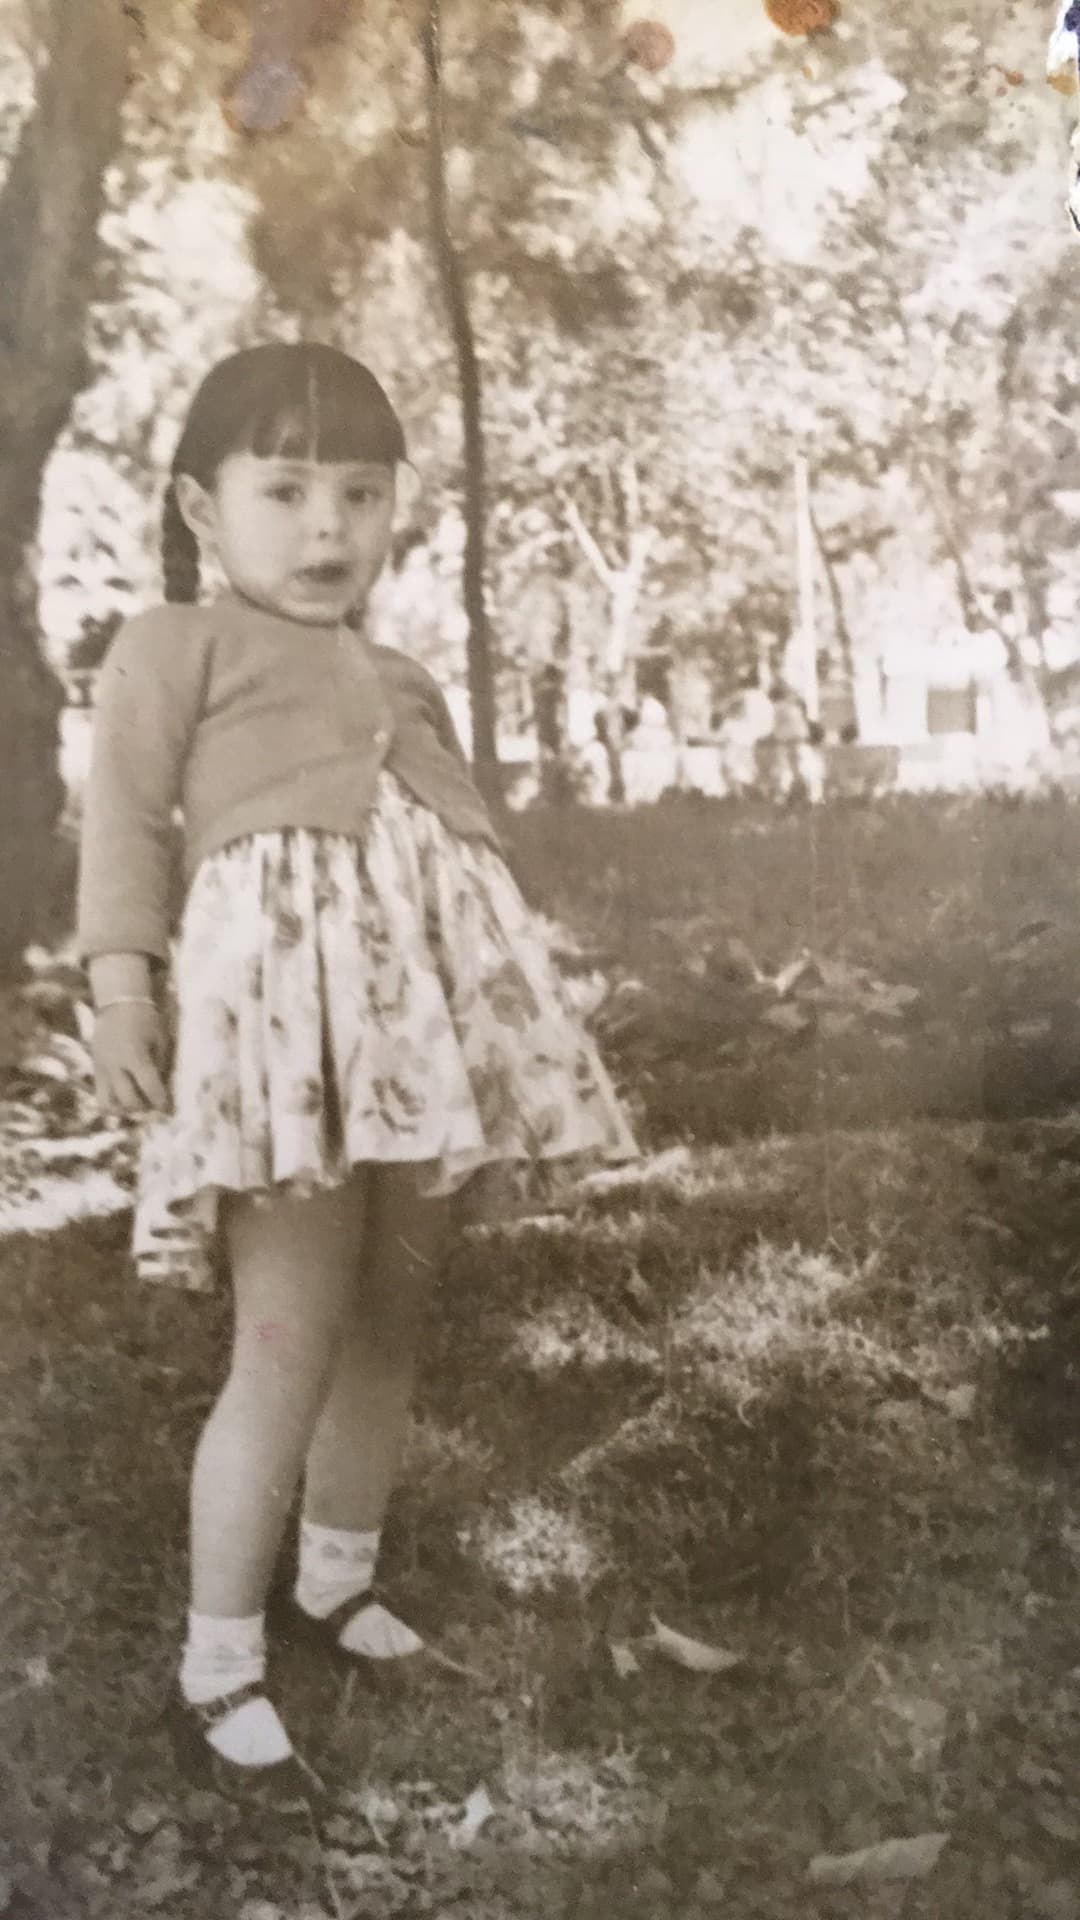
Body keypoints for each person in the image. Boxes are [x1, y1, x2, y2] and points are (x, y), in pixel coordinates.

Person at [76, 342, 637, 1802]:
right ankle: (219, 1657)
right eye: (284, 491)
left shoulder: (399, 673)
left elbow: (457, 854)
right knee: (290, 1334)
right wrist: (124, 990)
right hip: (289, 1048)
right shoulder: (172, 647)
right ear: (205, 507)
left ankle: (334, 1579)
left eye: (360, 493)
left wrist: (503, 1029)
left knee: (395, 1306)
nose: (327, 529)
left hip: (414, 1041)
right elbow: (129, 832)